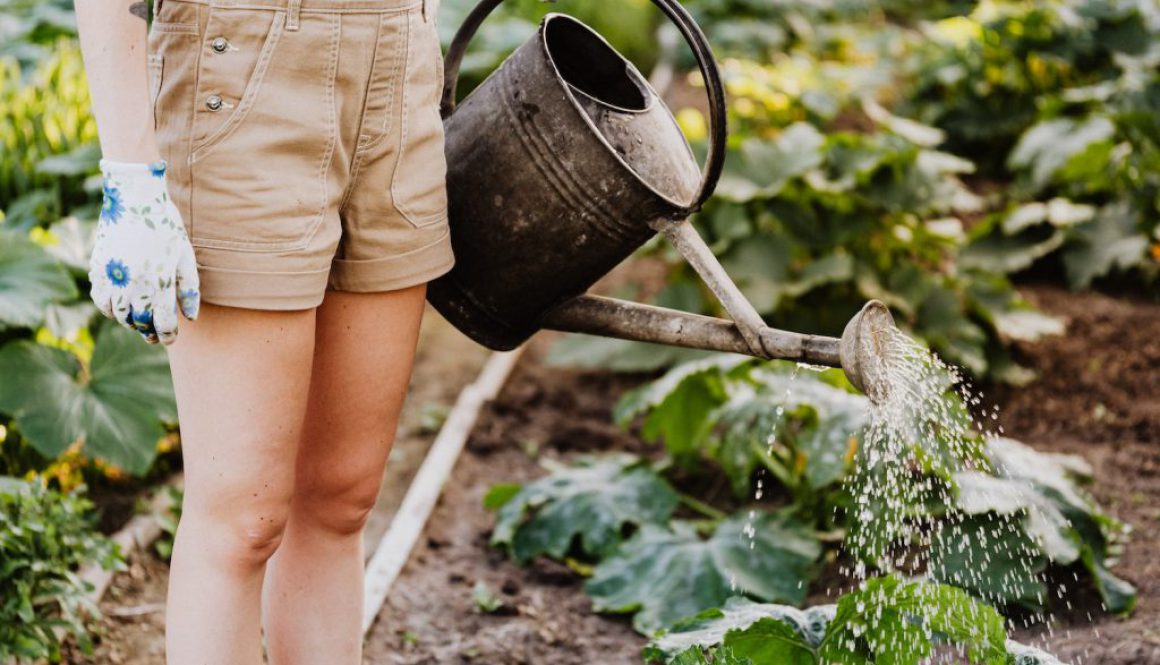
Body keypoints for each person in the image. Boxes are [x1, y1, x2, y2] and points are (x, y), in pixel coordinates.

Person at [74, 0, 454, 661]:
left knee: (343, 497)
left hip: (401, 58)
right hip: (245, 61)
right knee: (242, 521)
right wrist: (131, 176)